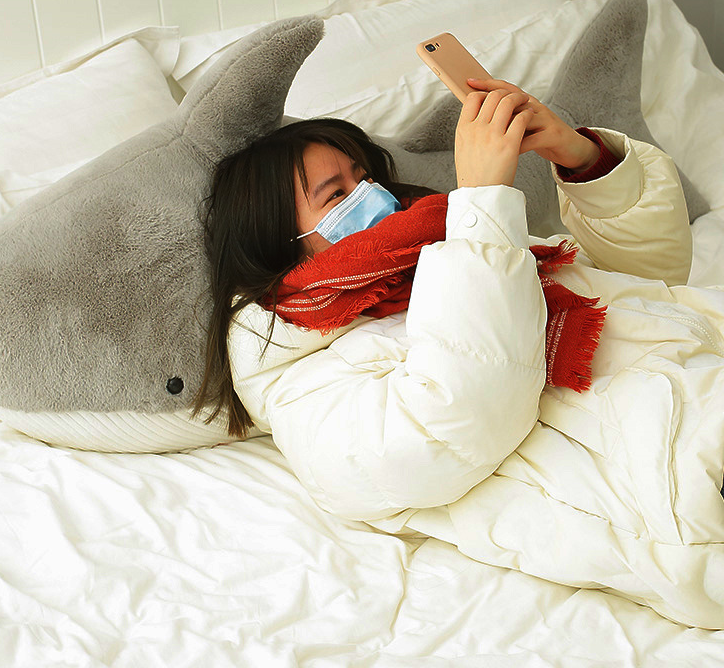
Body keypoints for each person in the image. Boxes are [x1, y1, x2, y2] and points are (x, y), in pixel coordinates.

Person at [196, 78, 724, 629]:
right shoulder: (306, 385)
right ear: (275, 243)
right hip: (695, 484)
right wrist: (482, 206)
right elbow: (457, 420)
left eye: (365, 177)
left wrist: (584, 161)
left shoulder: (456, 249)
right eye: (336, 195)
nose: (372, 196)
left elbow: (650, 282)